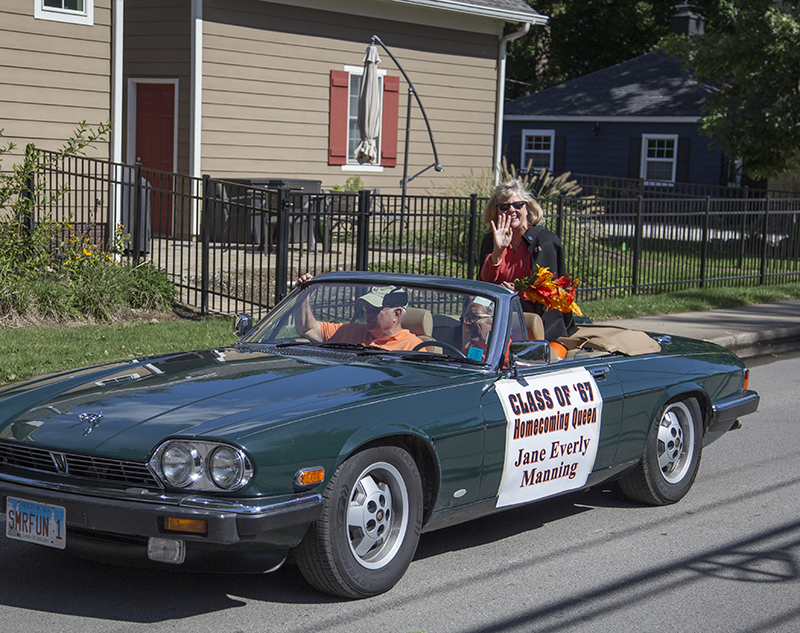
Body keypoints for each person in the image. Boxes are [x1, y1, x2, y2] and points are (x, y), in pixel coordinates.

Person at [478, 179, 577, 340]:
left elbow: (550, 292)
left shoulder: (545, 241)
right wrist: (498, 250)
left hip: (538, 320)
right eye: (504, 206)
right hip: (497, 314)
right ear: (496, 211)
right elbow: (483, 284)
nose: (511, 210)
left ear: (527, 207)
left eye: (518, 205)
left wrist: (516, 293)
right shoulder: (492, 240)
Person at [294, 273, 424, 351]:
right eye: (366, 307)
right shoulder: (352, 330)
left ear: (397, 314)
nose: (368, 313)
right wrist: (305, 295)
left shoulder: (413, 347)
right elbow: (308, 328)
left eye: (374, 309)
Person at [461, 297, 494, 361]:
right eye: (468, 317)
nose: (467, 323)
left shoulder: (506, 351)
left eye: (474, 317)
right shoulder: (475, 349)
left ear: (494, 320)